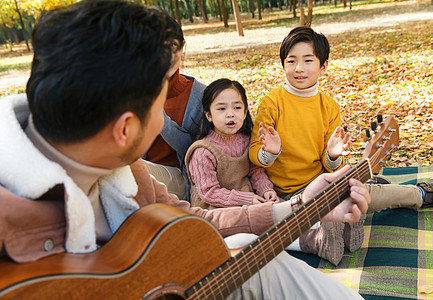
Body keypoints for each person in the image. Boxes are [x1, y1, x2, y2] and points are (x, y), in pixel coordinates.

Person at [0, 1, 370, 298]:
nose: (166, 120)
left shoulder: (125, 169)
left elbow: (194, 224)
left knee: (239, 245)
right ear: (125, 129)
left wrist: (297, 207)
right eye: (162, 102)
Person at [249, 25, 433, 265]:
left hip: (321, 183)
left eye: (308, 60)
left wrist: (333, 155)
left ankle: (422, 195)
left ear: (323, 66)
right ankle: (325, 232)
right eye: (291, 61)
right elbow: (254, 155)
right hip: (285, 194)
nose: (299, 68)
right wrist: (269, 152)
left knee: (362, 194)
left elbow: (331, 166)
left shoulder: (329, 107)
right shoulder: (271, 103)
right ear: (283, 64)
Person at [185, 78, 278, 210]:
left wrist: (266, 190)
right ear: (209, 115)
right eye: (222, 109)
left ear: (245, 112)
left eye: (237, 108)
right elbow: (209, 192)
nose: (230, 114)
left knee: (282, 209)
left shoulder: (247, 141)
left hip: (249, 203)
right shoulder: (202, 152)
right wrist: (247, 199)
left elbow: (255, 171)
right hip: (216, 210)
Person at [141, 15, 206, 201]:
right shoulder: (136, 91)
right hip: (142, 177)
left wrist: (157, 114)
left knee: (126, 170)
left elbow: (194, 151)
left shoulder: (201, 96)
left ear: (183, 47)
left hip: (181, 180)